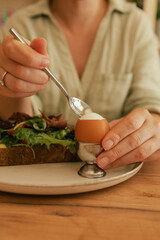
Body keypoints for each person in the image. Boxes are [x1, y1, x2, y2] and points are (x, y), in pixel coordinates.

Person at [0, 0, 160, 170]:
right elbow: (21, 123)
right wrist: (14, 85)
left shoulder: (135, 24)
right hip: (39, 181)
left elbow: (150, 107)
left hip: (118, 182)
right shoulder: (22, 23)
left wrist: (151, 127)